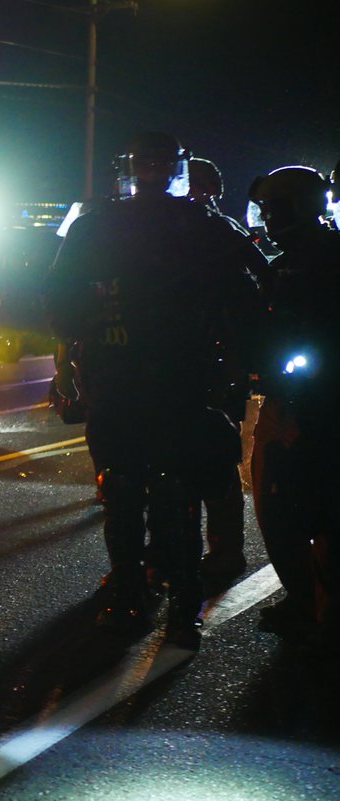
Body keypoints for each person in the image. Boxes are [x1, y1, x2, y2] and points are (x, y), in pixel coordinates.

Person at [45, 133, 265, 647]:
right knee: (143, 492)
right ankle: (160, 600)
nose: (150, 172)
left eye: (155, 164)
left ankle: (155, 599)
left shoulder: (114, 225)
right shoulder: (190, 225)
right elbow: (253, 294)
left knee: (149, 492)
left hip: (161, 381)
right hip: (148, 381)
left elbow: (58, 301)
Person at [246, 165, 340, 646]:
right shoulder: (276, 264)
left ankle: (325, 612)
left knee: (322, 510)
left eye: (274, 208)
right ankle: (304, 598)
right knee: (274, 506)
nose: (266, 218)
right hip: (284, 400)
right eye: (263, 209)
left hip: (322, 405)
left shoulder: (327, 259)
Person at [183, 157, 268, 592]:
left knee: (215, 458)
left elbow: (262, 284)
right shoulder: (154, 231)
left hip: (215, 359)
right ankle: (174, 552)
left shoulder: (222, 231)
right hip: (169, 361)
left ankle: (225, 550)